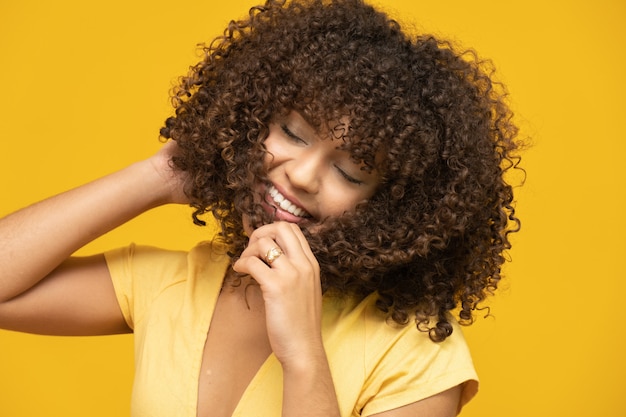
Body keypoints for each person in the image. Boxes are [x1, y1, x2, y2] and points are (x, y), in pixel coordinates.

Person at [0, 0, 522, 416]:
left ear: (392, 210)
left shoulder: (415, 360)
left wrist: (302, 358)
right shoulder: (175, 285)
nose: (299, 173)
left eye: (350, 171)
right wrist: (157, 177)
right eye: (292, 132)